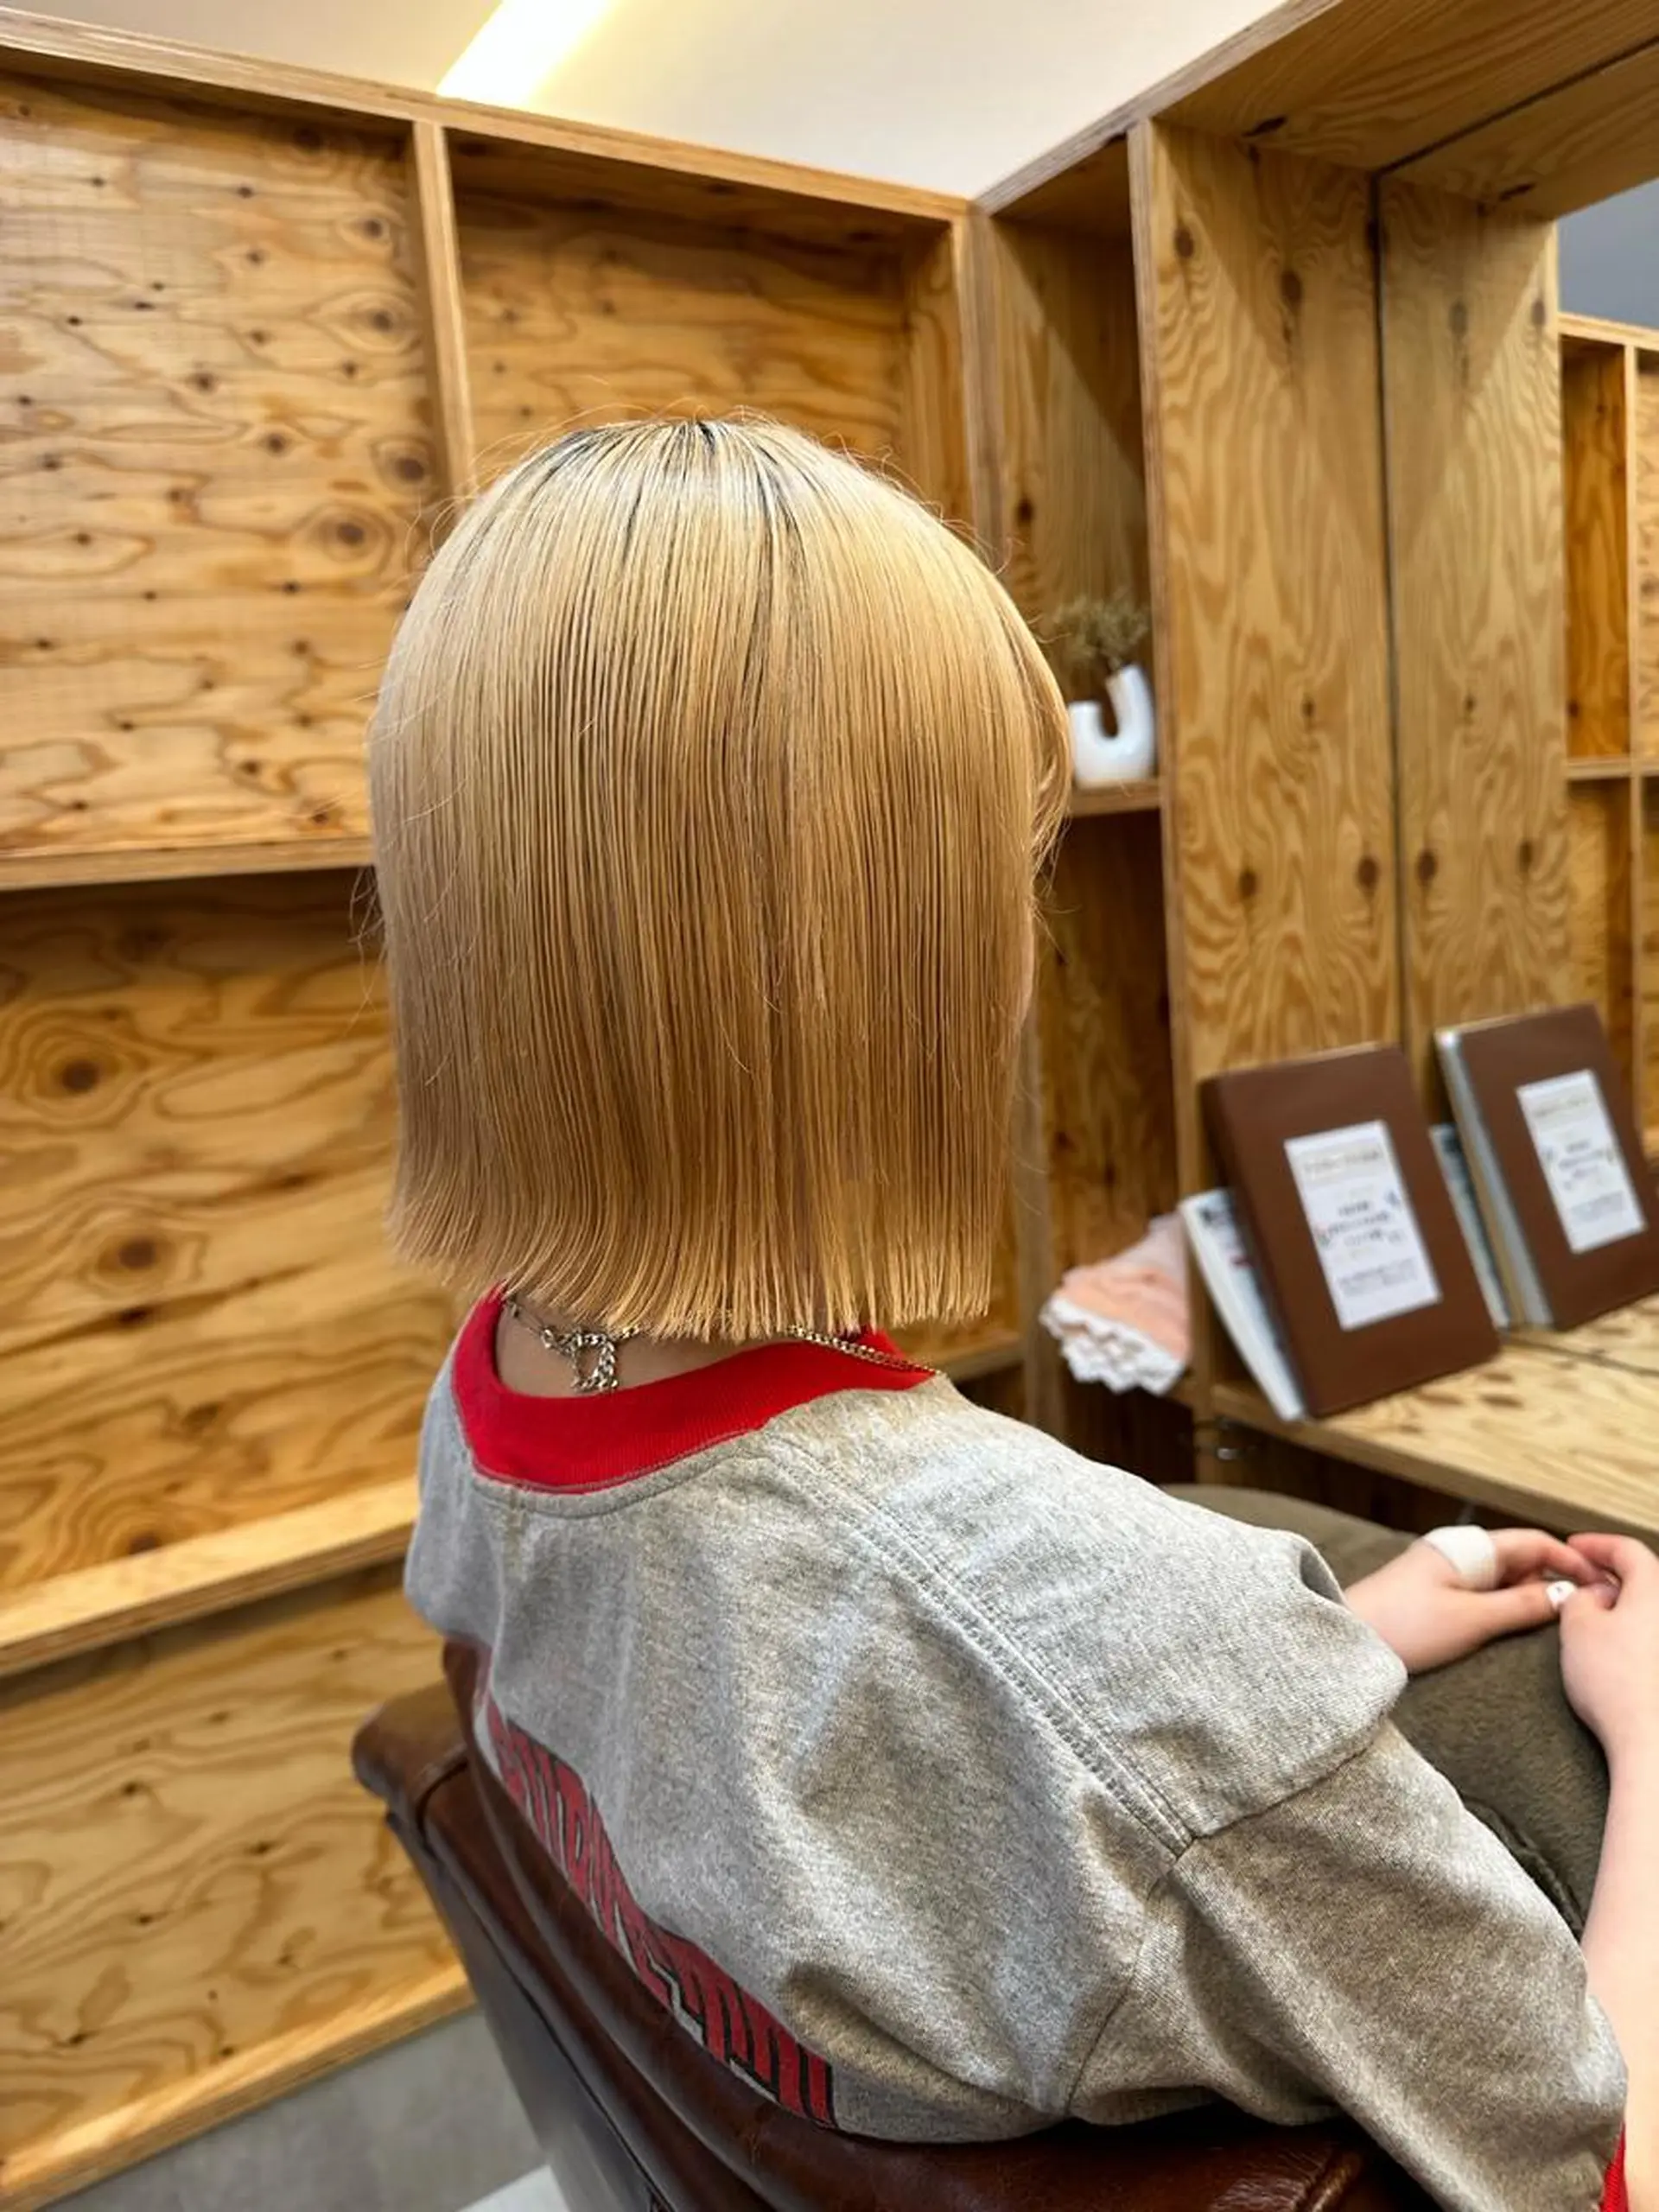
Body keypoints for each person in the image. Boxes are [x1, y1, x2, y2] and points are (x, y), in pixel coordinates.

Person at [370, 416, 1652, 2212]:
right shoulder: (1119, 1631)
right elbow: (1597, 2166)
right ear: (885, 958)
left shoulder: (499, 1387)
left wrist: (1293, 1672)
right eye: (1008, 870)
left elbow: (904, 1763)